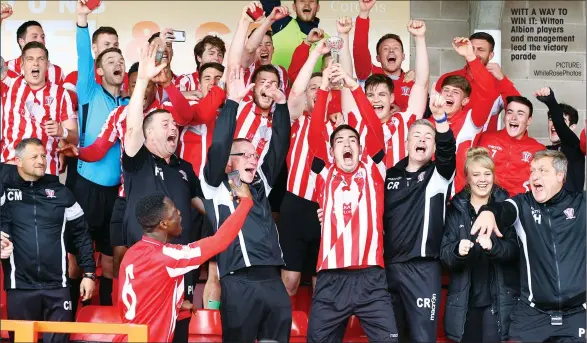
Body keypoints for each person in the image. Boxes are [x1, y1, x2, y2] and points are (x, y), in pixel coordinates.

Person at [121, 42, 208, 343]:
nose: (174, 127)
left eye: (175, 123)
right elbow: (132, 128)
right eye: (165, 123)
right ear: (149, 135)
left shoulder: (185, 168)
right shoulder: (138, 159)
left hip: (181, 266)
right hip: (148, 266)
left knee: (179, 330)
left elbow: (204, 208)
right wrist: (143, 79)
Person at [198, 64, 291, 342]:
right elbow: (218, 146)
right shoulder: (216, 184)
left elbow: (279, 145)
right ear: (230, 160)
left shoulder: (260, 181)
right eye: (246, 155)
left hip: (273, 280)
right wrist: (233, 103)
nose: (254, 159)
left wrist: (283, 106)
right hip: (238, 280)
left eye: (254, 155)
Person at [307, 63, 399, 342]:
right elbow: (314, 134)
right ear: (332, 151)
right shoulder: (324, 173)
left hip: (371, 278)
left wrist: (353, 85)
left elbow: (373, 126)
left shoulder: (373, 170)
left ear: (360, 149)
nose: (346, 144)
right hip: (331, 279)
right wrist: (324, 88)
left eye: (352, 141)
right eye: (339, 141)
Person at [471, 150, 586, 342]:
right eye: (532, 170)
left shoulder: (581, 204)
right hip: (533, 314)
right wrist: (489, 211)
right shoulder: (524, 203)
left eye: (542, 170)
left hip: (577, 314)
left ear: (560, 176)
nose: (535, 176)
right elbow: (505, 209)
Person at [115, 188, 254, 343]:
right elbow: (219, 241)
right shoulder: (167, 256)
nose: (179, 213)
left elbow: (143, 296)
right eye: (174, 212)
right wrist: (246, 202)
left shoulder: (132, 253)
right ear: (163, 223)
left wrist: (175, 304)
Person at [0, 138, 96, 343]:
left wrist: (89, 273)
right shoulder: (5, 192)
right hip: (20, 287)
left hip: (58, 287)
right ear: (17, 161)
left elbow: (82, 233)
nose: (41, 161)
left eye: (43, 156)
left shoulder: (61, 192)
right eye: (34, 156)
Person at [383, 95, 456, 343]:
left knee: (422, 338)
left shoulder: (438, 174)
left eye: (428, 137)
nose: (422, 139)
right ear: (406, 143)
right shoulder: (389, 175)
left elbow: (448, 152)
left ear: (434, 147)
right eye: (417, 136)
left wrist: (440, 119)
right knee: (392, 338)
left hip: (423, 270)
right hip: (389, 267)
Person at [71, 0, 129, 306]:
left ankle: (105, 320)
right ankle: (68, 321)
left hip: (116, 195)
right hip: (86, 187)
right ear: (99, 69)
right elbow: (83, 54)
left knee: (110, 261)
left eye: (120, 58)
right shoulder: (89, 90)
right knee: (76, 259)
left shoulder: (130, 104)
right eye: (110, 59)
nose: (117, 63)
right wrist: (82, 19)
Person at [440, 147, 519, 343]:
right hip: (465, 302)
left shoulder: (504, 207)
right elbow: (444, 255)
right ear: (467, 178)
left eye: (487, 173)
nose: (482, 179)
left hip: (497, 301)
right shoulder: (455, 209)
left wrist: (494, 247)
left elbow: (514, 251)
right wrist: (457, 250)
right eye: (476, 174)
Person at [433, 37, 503, 194]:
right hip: (428, 194)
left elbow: (488, 93)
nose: (449, 95)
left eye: (455, 92)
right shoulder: (427, 123)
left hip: (459, 194)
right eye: (446, 91)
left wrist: (470, 56)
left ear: (465, 100)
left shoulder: (469, 120)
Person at [1, 42, 78, 175]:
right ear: (22, 65)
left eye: (40, 59)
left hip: (46, 172)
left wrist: (62, 131)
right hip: (12, 168)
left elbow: (74, 137)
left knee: (67, 197)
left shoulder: (61, 94)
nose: (35, 63)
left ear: (47, 65)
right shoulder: (10, 83)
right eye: (30, 59)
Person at [364, 19, 429, 168]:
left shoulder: (404, 120)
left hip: (401, 186)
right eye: (371, 95)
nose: (377, 99)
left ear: (391, 97)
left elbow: (421, 83)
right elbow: (359, 55)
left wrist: (419, 38)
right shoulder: (359, 121)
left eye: (382, 94)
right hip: (369, 188)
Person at [435, 31, 519, 131]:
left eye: (480, 50)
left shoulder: (499, 82)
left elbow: (520, 110)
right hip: (450, 141)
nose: (474, 53)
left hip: (484, 144)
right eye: (471, 48)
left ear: (491, 55)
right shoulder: (448, 78)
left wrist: (502, 79)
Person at [476, 96, 545, 196]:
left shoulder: (538, 149)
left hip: (518, 206)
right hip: (484, 199)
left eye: (520, 114)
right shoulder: (486, 138)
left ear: (529, 120)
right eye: (509, 112)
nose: (513, 117)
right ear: (504, 117)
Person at [353, 0, 415, 111]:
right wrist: (364, 13)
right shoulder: (370, 74)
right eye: (386, 49)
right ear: (378, 58)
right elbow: (360, 50)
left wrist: (401, 111)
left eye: (395, 48)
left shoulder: (412, 81)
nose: (391, 51)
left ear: (403, 56)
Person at [0, 4, 65, 85]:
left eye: (43, 37)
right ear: (21, 41)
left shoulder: (56, 71)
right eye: (34, 36)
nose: (41, 40)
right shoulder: (7, 68)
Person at [535, 87, 584, 193]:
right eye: (551, 119)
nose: (554, 124)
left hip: (571, 207)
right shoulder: (543, 151)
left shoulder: (574, 146)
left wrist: (551, 102)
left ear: (572, 127)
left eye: (562, 120)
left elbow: (560, 126)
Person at [261, 0, 328, 72]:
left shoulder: (327, 40)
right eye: (301, 1)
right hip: (278, 82)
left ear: (318, 7)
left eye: (311, 1)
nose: (307, 5)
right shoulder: (282, 22)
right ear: (294, 7)